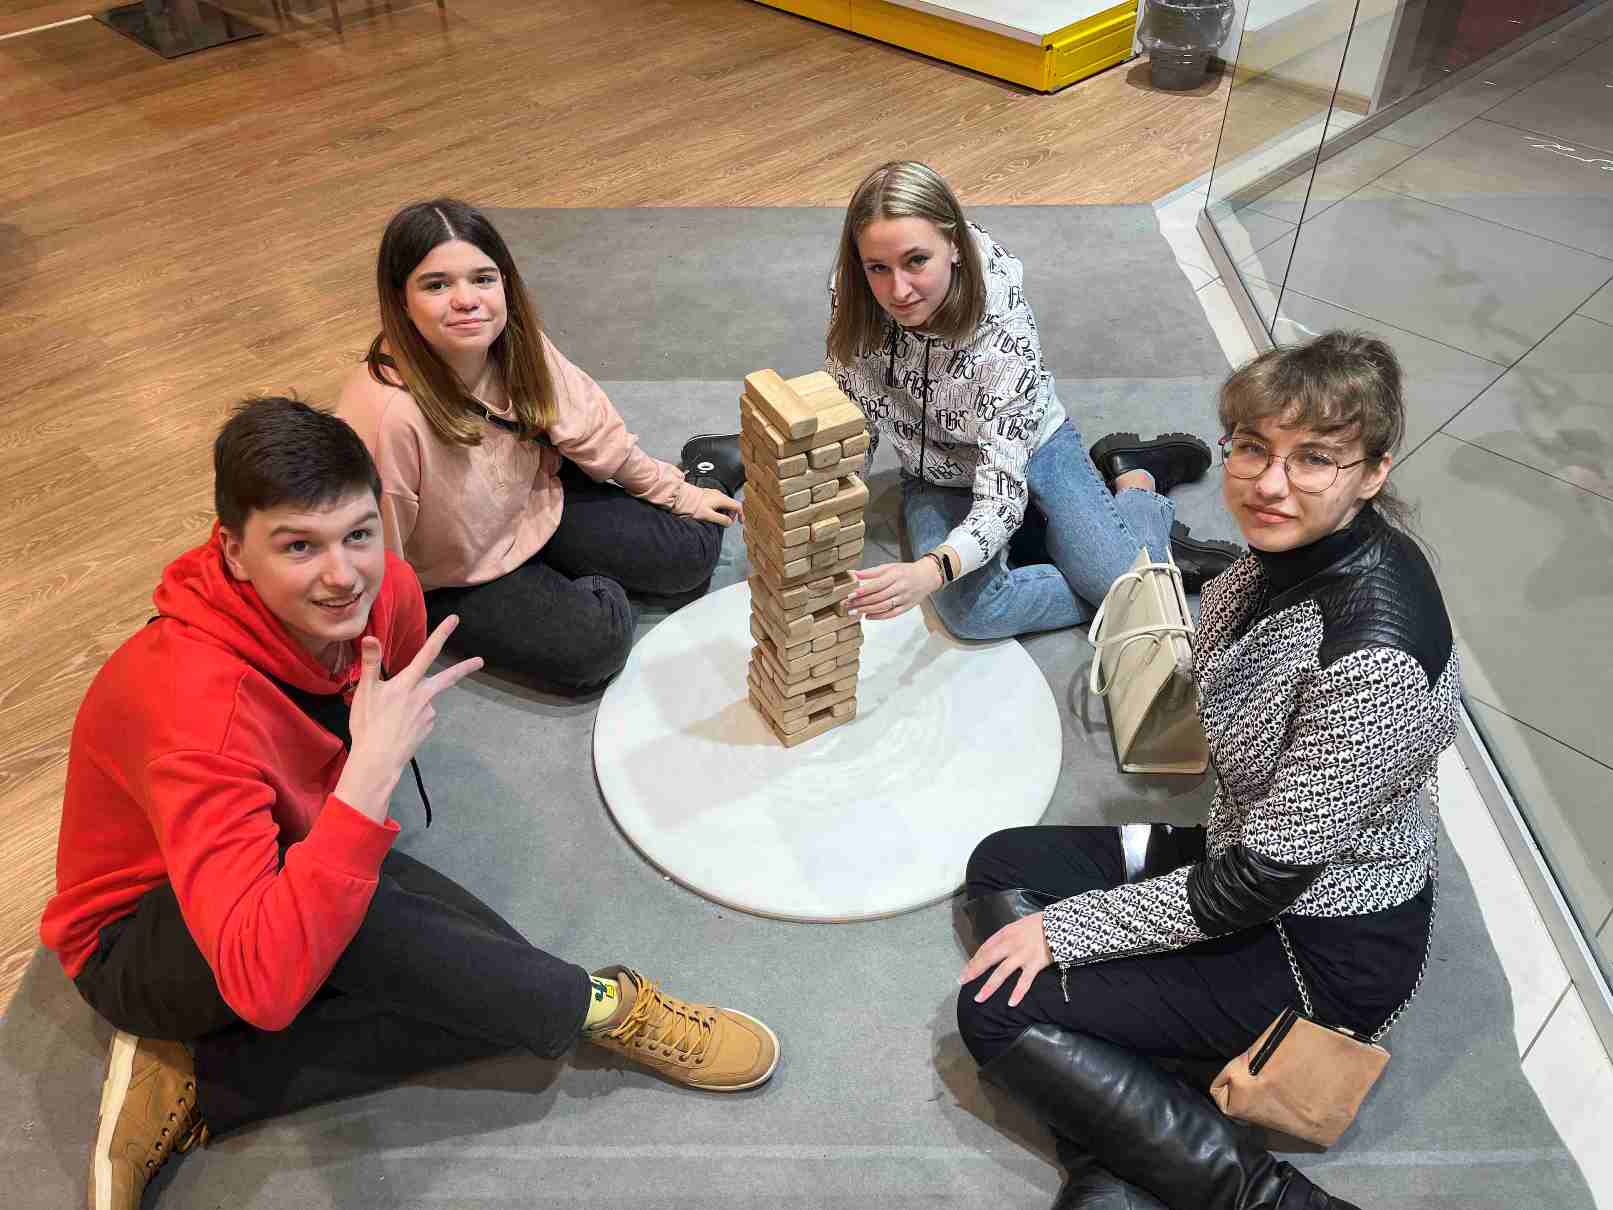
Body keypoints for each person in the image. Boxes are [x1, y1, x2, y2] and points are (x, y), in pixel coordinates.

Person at [41, 398, 779, 1210]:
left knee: (487, 976)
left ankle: (204, 1074)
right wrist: (364, 786)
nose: (341, 575)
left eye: (358, 533)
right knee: (492, 981)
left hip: (283, 841)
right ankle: (604, 1005)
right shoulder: (195, 712)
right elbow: (262, 983)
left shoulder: (387, 590)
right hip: (143, 933)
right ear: (234, 552)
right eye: (298, 546)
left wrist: (348, 807)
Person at [954, 331, 1460, 1210]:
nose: (1269, 483)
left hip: (1316, 941)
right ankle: (1131, 1111)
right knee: (1002, 863)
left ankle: (1267, 1197)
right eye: (1253, 448)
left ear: (1372, 474)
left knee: (996, 1008)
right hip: (1245, 852)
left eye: (1314, 459)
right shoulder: (1285, 556)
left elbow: (1255, 886)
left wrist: (1066, 934)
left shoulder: (1372, 657)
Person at [337, 198, 745, 691]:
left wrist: (680, 493)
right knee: (594, 646)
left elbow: (594, 432)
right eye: (436, 284)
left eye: (483, 279)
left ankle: (708, 466)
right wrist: (375, 672)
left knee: (690, 556)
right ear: (400, 299)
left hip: (537, 499)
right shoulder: (387, 414)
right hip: (457, 573)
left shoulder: (516, 340)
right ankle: (586, 578)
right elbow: (374, 554)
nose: (466, 300)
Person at [823, 160, 1239, 641]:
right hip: (937, 472)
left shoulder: (1004, 332)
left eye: (916, 261)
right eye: (877, 267)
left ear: (953, 245)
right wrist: (825, 499)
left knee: (1119, 587)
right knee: (976, 613)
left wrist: (933, 569)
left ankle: (1137, 486)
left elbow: (1001, 496)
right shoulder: (853, 294)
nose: (897, 290)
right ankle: (1139, 568)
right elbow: (853, 411)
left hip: (1034, 448)